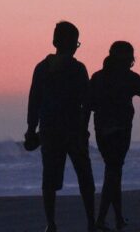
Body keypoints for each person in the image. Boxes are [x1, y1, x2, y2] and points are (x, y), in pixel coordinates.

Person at [26, 21, 98, 232]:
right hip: (73, 129)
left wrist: (31, 129)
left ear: (55, 42)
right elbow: (87, 101)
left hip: (49, 130)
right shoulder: (77, 69)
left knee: (50, 178)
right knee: (85, 176)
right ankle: (91, 222)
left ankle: (51, 223)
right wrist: (84, 127)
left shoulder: (41, 68)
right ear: (73, 44)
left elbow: (34, 101)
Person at [86, 41, 140, 231]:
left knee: (113, 171)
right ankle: (101, 219)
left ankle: (118, 218)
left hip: (101, 131)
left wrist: (83, 128)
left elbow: (88, 105)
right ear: (129, 59)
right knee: (113, 172)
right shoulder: (131, 78)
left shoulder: (97, 77)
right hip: (120, 131)